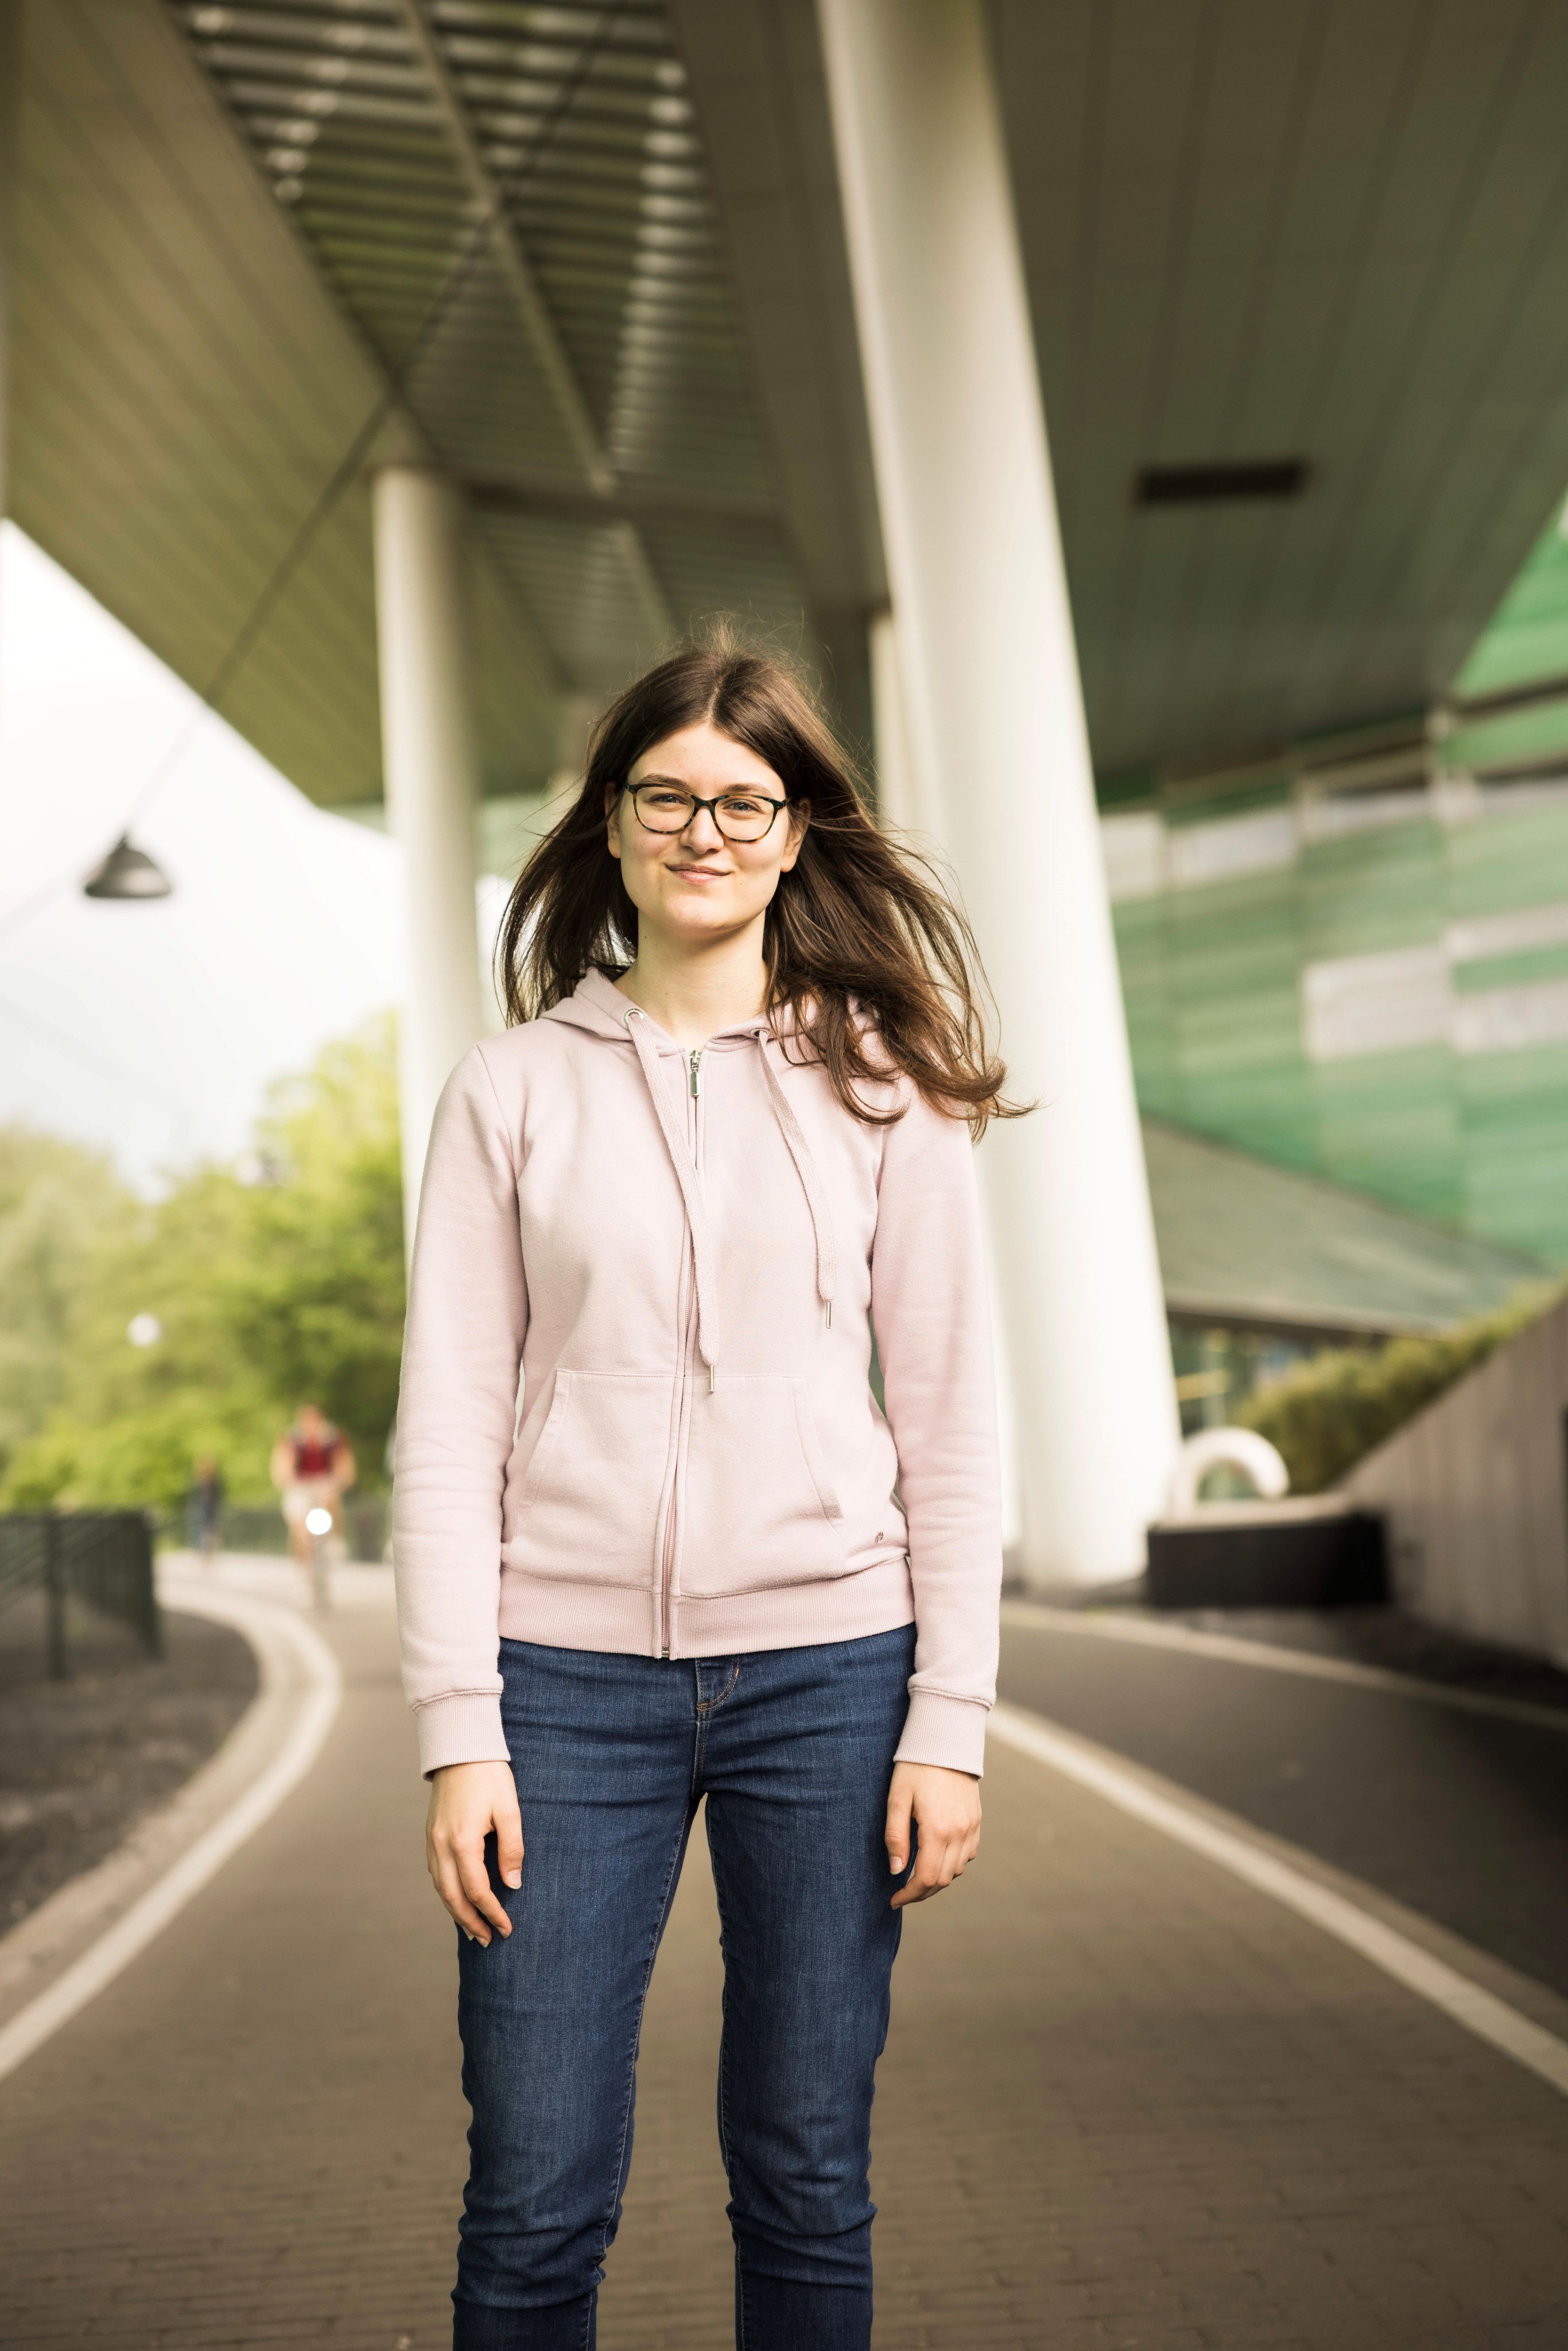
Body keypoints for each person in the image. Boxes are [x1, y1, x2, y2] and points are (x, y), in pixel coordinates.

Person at [394, 635, 1013, 2351]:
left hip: (831, 1677)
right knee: (530, 2192)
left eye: (744, 802)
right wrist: (459, 1729)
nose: (703, 832)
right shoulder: (510, 1091)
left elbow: (953, 1422)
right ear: (610, 821)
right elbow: (447, 1425)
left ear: (796, 831)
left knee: (806, 2174)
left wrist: (948, 1720)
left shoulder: (881, 1080)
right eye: (665, 797)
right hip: (557, 1687)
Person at [270, 1403, 354, 1576]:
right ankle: (303, 1566)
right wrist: (288, 1479)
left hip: (324, 1484)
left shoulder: (332, 1438)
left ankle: (336, 1540)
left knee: (332, 1500)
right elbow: (284, 1465)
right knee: (298, 1524)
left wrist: (340, 1480)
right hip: (300, 1487)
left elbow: (343, 1464)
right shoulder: (293, 1439)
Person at [187, 1454, 225, 1562]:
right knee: (203, 1531)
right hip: (203, 1510)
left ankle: (207, 1553)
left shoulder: (214, 1482)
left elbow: (218, 1497)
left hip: (210, 1510)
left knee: (209, 1532)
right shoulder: (200, 1482)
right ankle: (202, 1553)